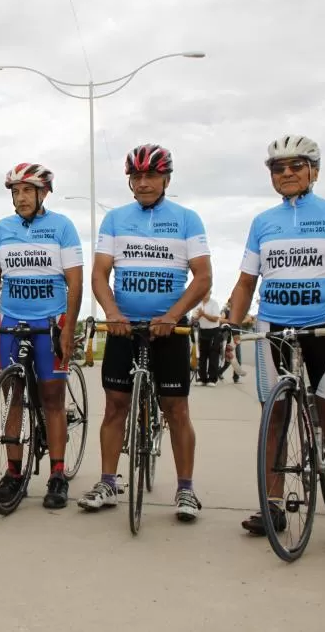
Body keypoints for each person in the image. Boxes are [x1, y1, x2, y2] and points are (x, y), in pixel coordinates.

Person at [228, 134, 325, 552]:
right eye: (278, 167)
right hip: (274, 328)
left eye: (296, 165)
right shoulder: (262, 222)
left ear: (314, 171)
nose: (286, 173)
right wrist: (231, 327)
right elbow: (245, 282)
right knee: (274, 418)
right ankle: (272, 504)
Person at [78, 144, 211, 522]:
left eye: (151, 175)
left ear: (166, 179)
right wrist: (112, 311)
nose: (143, 182)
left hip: (171, 328)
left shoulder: (187, 219)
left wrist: (172, 315)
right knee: (115, 406)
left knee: (177, 409)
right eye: (136, 176)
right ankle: (107, 482)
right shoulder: (116, 220)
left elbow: (203, 277)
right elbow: (100, 274)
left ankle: (186, 490)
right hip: (125, 327)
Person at [0, 163, 84, 508]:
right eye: (15, 191)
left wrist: (68, 328)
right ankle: (14, 472)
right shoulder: (1, 229)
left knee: (52, 399)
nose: (20, 198)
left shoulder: (62, 227)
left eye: (27, 191)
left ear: (43, 193)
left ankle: (57, 474)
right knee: (14, 395)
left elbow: (75, 281)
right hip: (12, 322)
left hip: (49, 322)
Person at [193, 290, 222, 386]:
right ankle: (202, 378)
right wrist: (197, 317)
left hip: (214, 331)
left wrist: (203, 314)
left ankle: (212, 379)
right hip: (202, 331)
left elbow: (215, 318)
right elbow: (194, 318)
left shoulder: (214, 304)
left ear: (210, 293)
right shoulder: (197, 303)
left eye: (207, 292)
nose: (205, 294)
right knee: (202, 356)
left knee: (213, 355)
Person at [218, 297, 242, 383]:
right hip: (228, 338)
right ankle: (219, 372)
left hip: (237, 337)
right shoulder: (226, 311)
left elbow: (247, 319)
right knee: (228, 359)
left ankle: (236, 377)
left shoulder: (239, 312)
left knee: (238, 358)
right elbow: (220, 319)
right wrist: (231, 321)